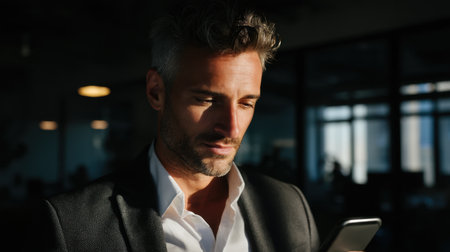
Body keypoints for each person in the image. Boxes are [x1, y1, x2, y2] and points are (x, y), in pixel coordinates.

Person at [27, 1, 319, 251]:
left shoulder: (289, 208)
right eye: (207, 99)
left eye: (246, 103)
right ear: (156, 91)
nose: (231, 128)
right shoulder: (73, 225)